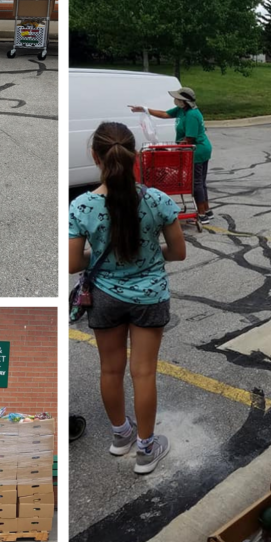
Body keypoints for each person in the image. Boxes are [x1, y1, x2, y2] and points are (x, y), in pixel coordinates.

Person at [68, 122, 187, 475]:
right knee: (144, 372)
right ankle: (147, 450)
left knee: (110, 368)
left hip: (104, 296)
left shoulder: (83, 205)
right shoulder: (157, 200)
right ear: (135, 157)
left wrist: (108, 256)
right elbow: (178, 252)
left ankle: (121, 436)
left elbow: (74, 262)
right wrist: (145, 255)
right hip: (149, 296)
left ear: (95, 157)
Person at [130, 86, 213, 221]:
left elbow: (189, 139)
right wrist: (145, 110)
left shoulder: (192, 115)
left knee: (197, 182)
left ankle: (202, 213)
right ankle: (207, 210)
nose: (175, 100)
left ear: (184, 101)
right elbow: (164, 114)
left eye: (177, 98)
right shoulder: (182, 110)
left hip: (198, 150)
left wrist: (171, 150)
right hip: (199, 149)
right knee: (200, 182)